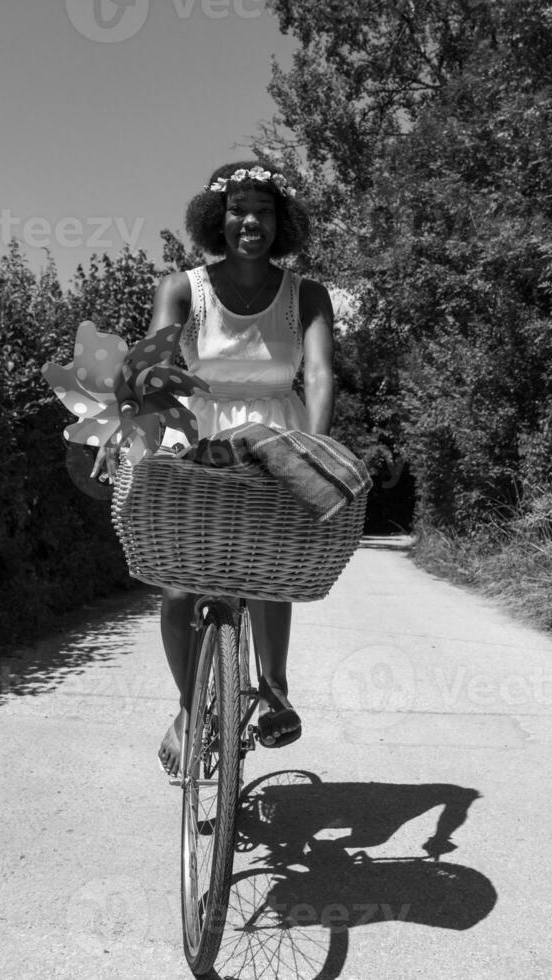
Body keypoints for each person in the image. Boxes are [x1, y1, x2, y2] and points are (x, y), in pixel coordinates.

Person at [98, 161, 337, 772]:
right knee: (179, 587)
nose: (250, 220)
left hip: (277, 438)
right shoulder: (182, 288)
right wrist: (132, 407)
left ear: (281, 221)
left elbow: (319, 374)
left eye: (264, 208)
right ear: (217, 218)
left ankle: (274, 689)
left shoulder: (305, 294)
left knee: (268, 572)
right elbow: (153, 360)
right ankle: (186, 707)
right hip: (199, 434)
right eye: (237, 208)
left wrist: (315, 450)